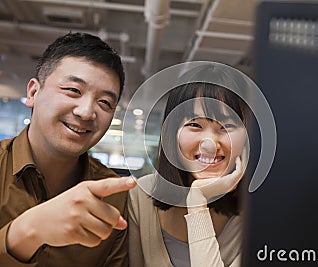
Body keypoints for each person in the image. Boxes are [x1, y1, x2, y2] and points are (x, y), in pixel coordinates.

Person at [0, 32, 136, 267]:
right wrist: (25, 232)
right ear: (33, 92)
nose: (86, 112)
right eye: (73, 90)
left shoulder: (115, 198)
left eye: (104, 102)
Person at [128, 64, 250, 266]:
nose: (209, 144)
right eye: (194, 124)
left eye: (227, 126)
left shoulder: (261, 209)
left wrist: (197, 202)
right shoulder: (142, 194)